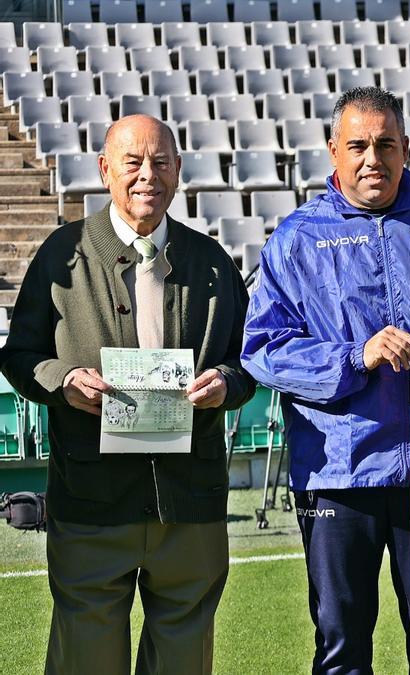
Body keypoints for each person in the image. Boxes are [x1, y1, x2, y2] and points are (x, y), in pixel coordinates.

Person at [240, 87, 410, 674]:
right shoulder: (297, 239)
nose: (373, 159)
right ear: (333, 151)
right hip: (336, 473)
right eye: (358, 146)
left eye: (386, 145)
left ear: (405, 150)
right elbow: (262, 350)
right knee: (342, 640)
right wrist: (355, 357)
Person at [1, 113, 254, 674]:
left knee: (184, 660)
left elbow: (249, 363)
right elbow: (19, 357)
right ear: (105, 169)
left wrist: (227, 385)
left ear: (179, 171)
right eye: (133, 162)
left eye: (161, 162)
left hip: (189, 502)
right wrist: (63, 381)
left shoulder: (211, 260)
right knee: (86, 661)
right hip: (91, 501)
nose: (148, 176)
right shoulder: (59, 254)